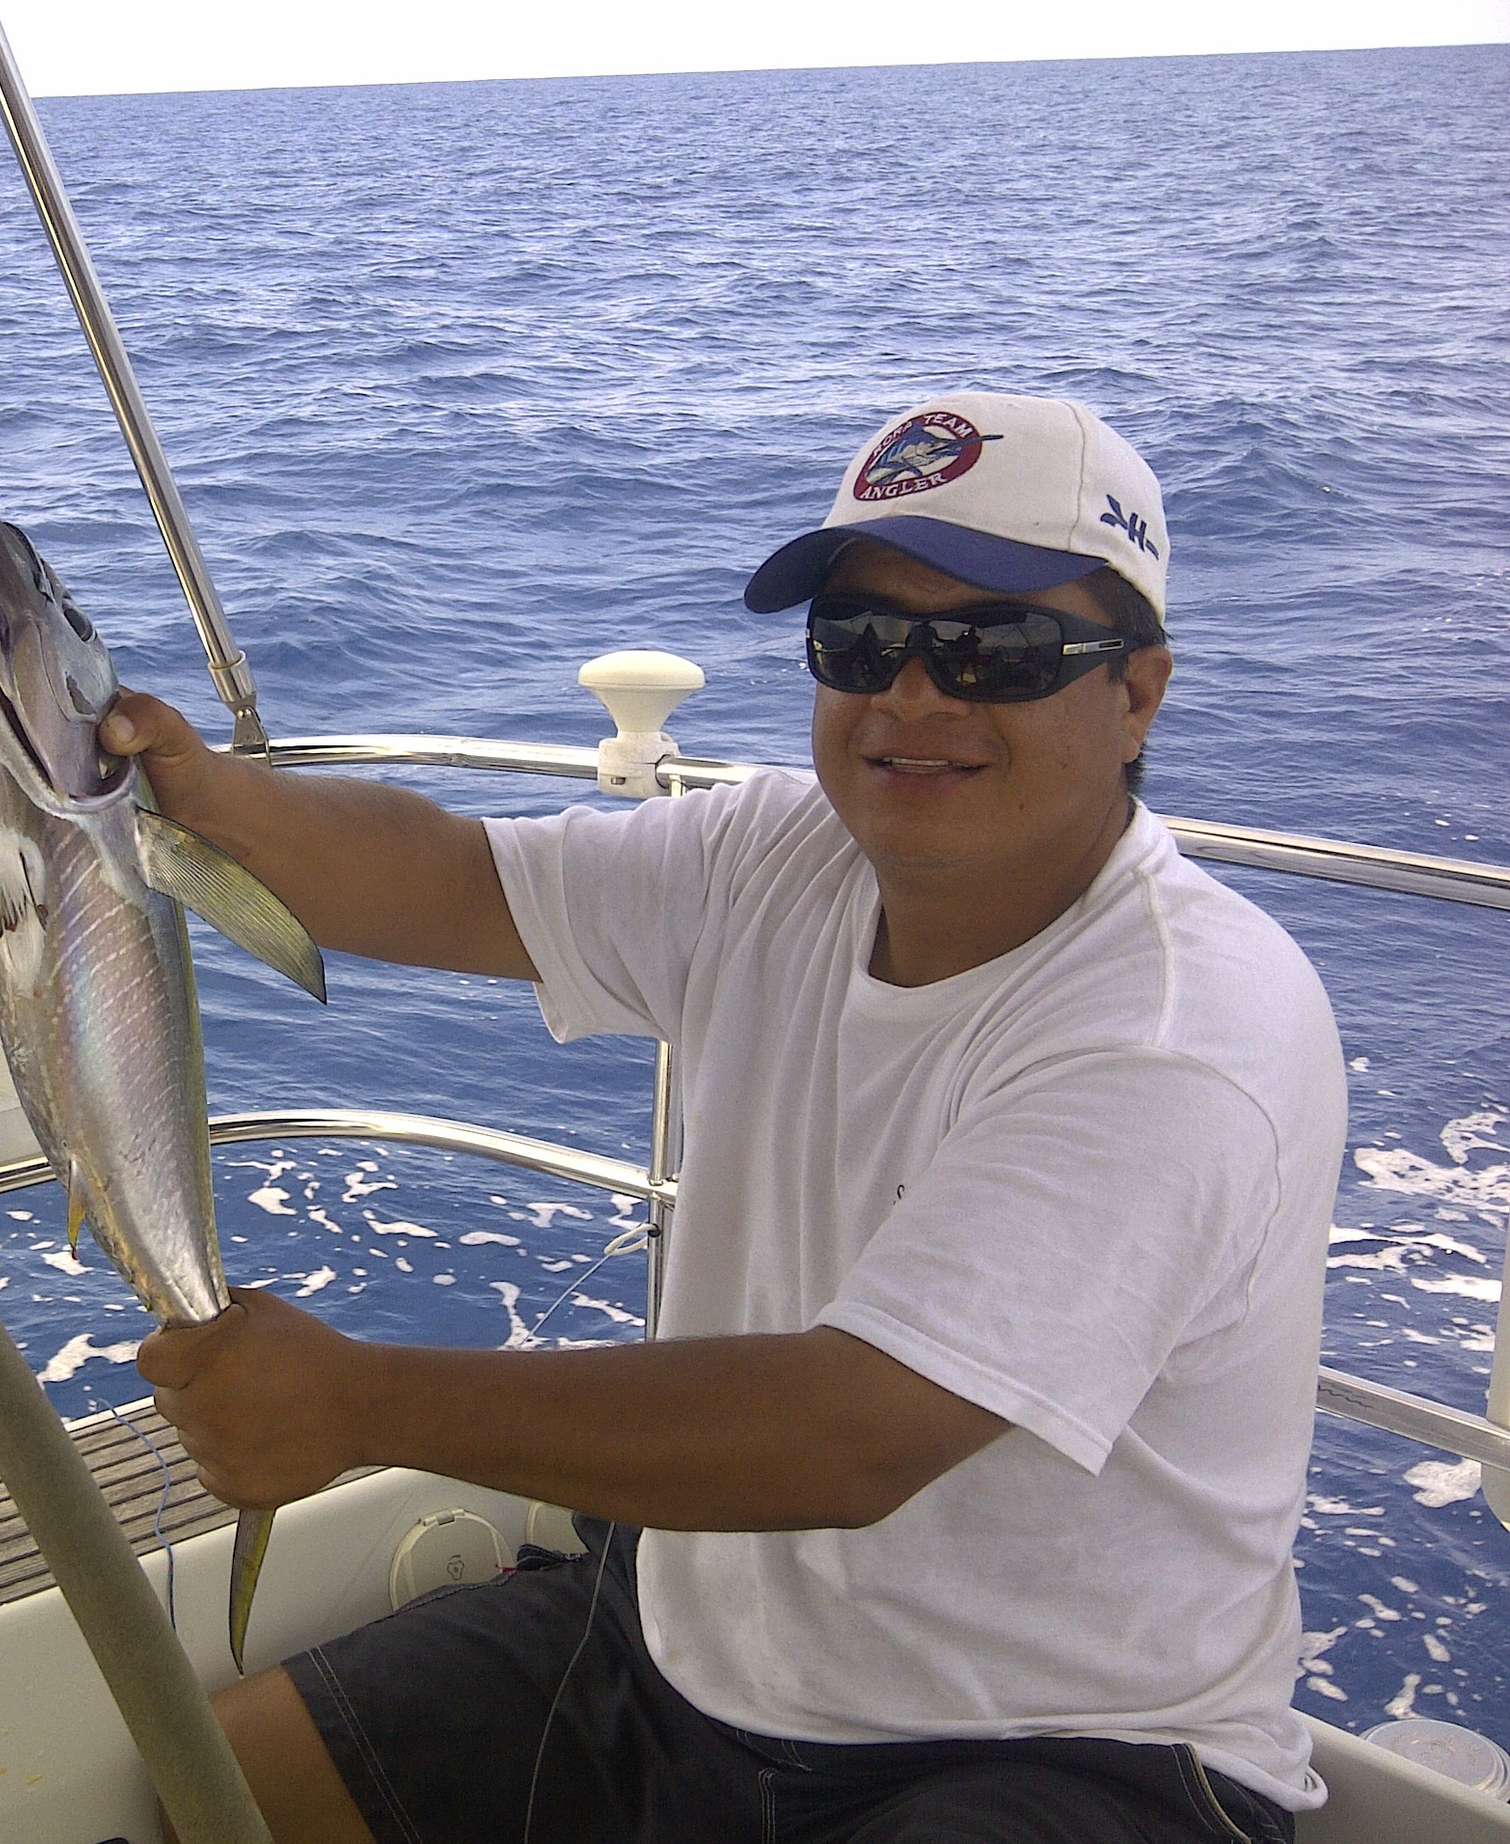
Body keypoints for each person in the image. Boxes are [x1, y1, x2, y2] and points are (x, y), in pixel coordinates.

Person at [110, 392, 1345, 1844]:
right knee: (227, 1784)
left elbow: (852, 1435)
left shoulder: (1181, 1026)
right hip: (694, 1648)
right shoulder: (780, 850)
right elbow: (455, 880)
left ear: (1137, 693)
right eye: (863, 641)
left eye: (996, 650)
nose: (914, 695)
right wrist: (186, 796)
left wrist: (355, 1403)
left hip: (1059, 1744)